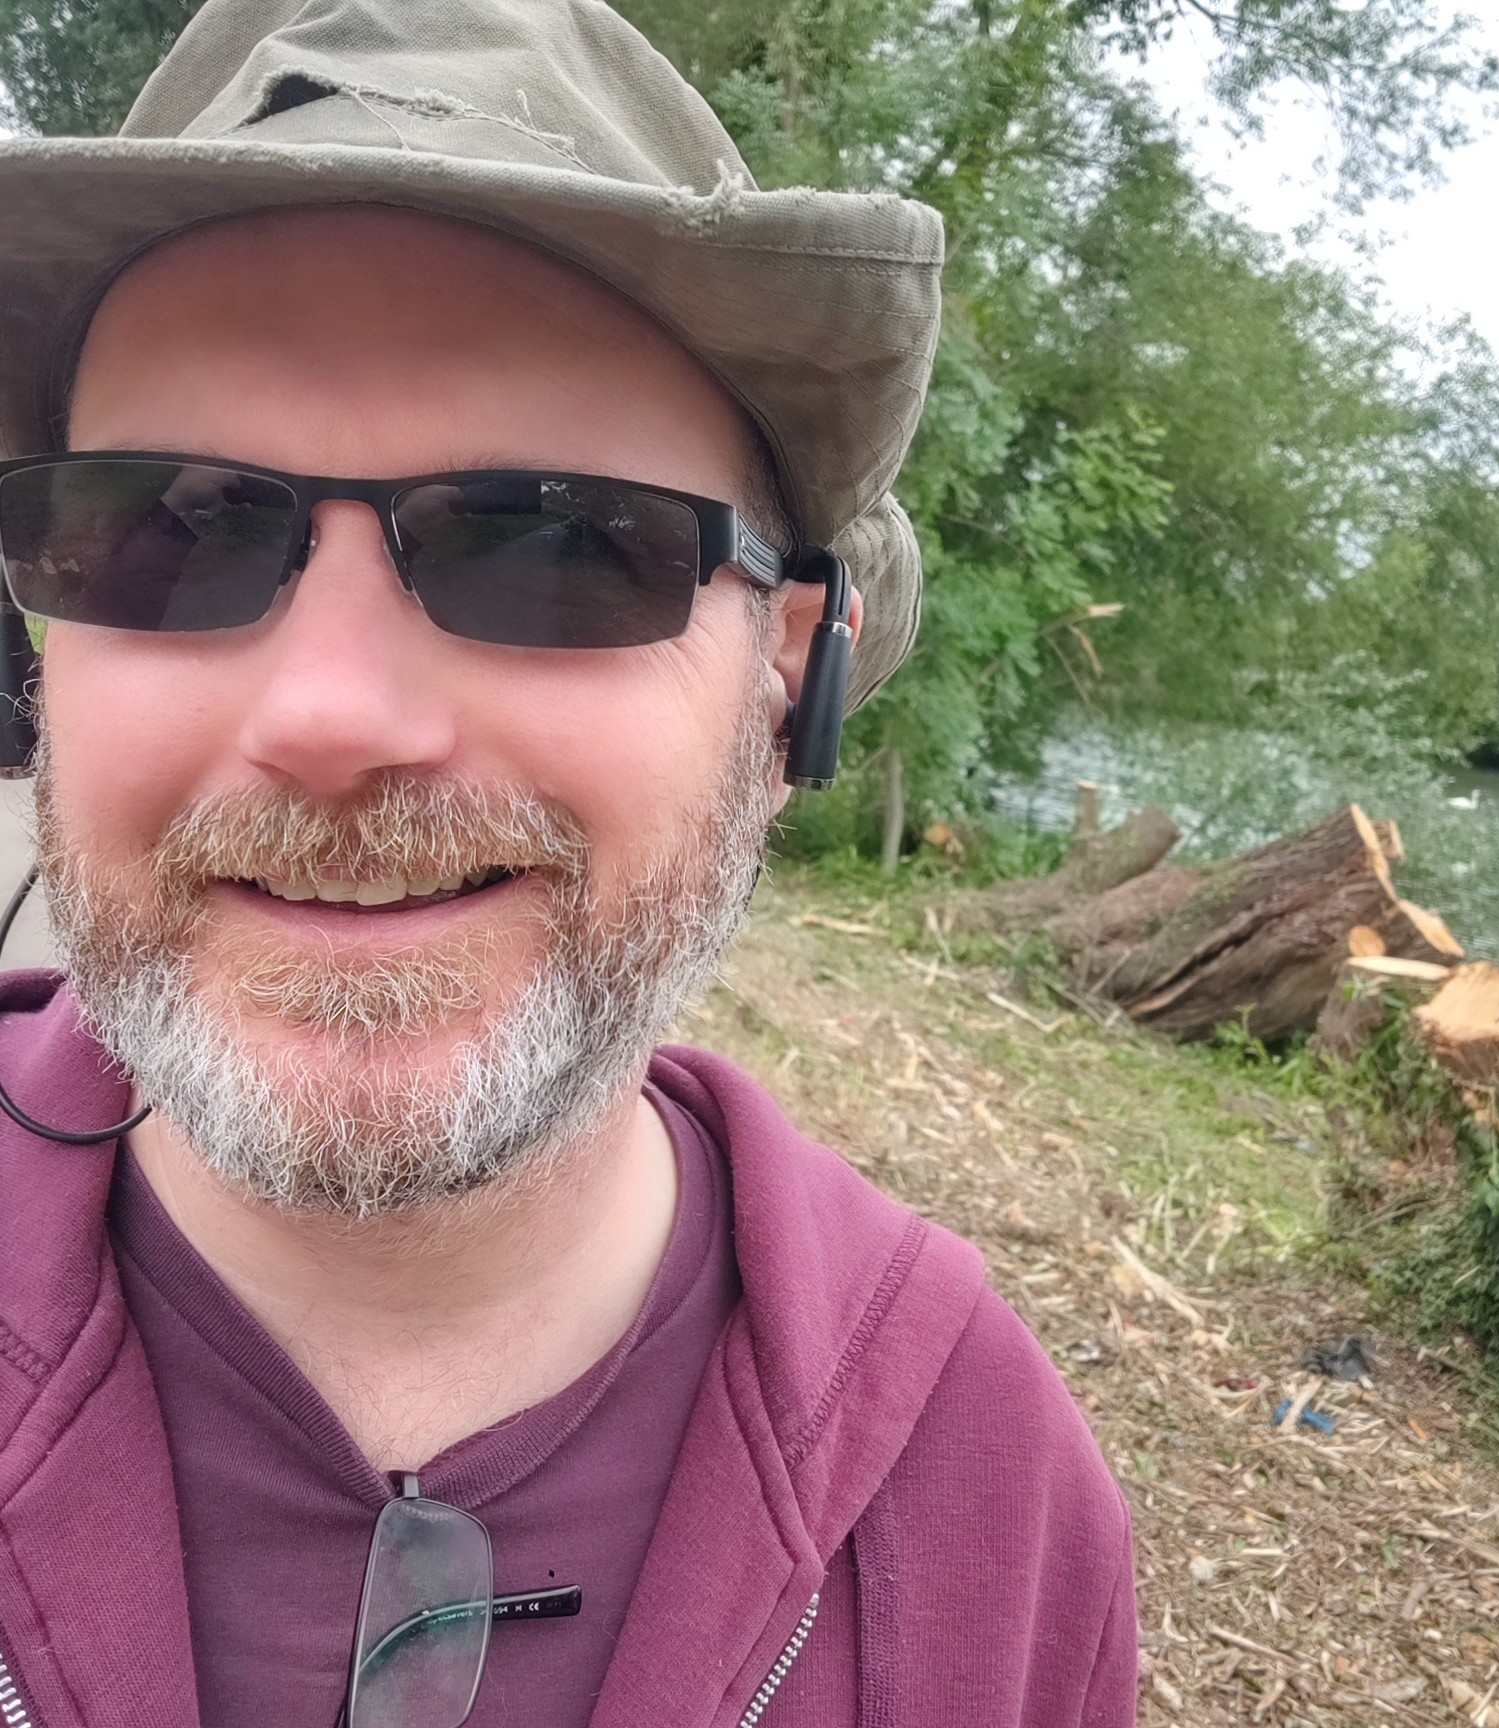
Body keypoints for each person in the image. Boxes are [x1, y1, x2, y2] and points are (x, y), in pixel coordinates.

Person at [0, 1, 1138, 1723]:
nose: (331, 716)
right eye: (171, 531)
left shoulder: (988, 1491)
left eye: (555, 543)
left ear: (784, 675)